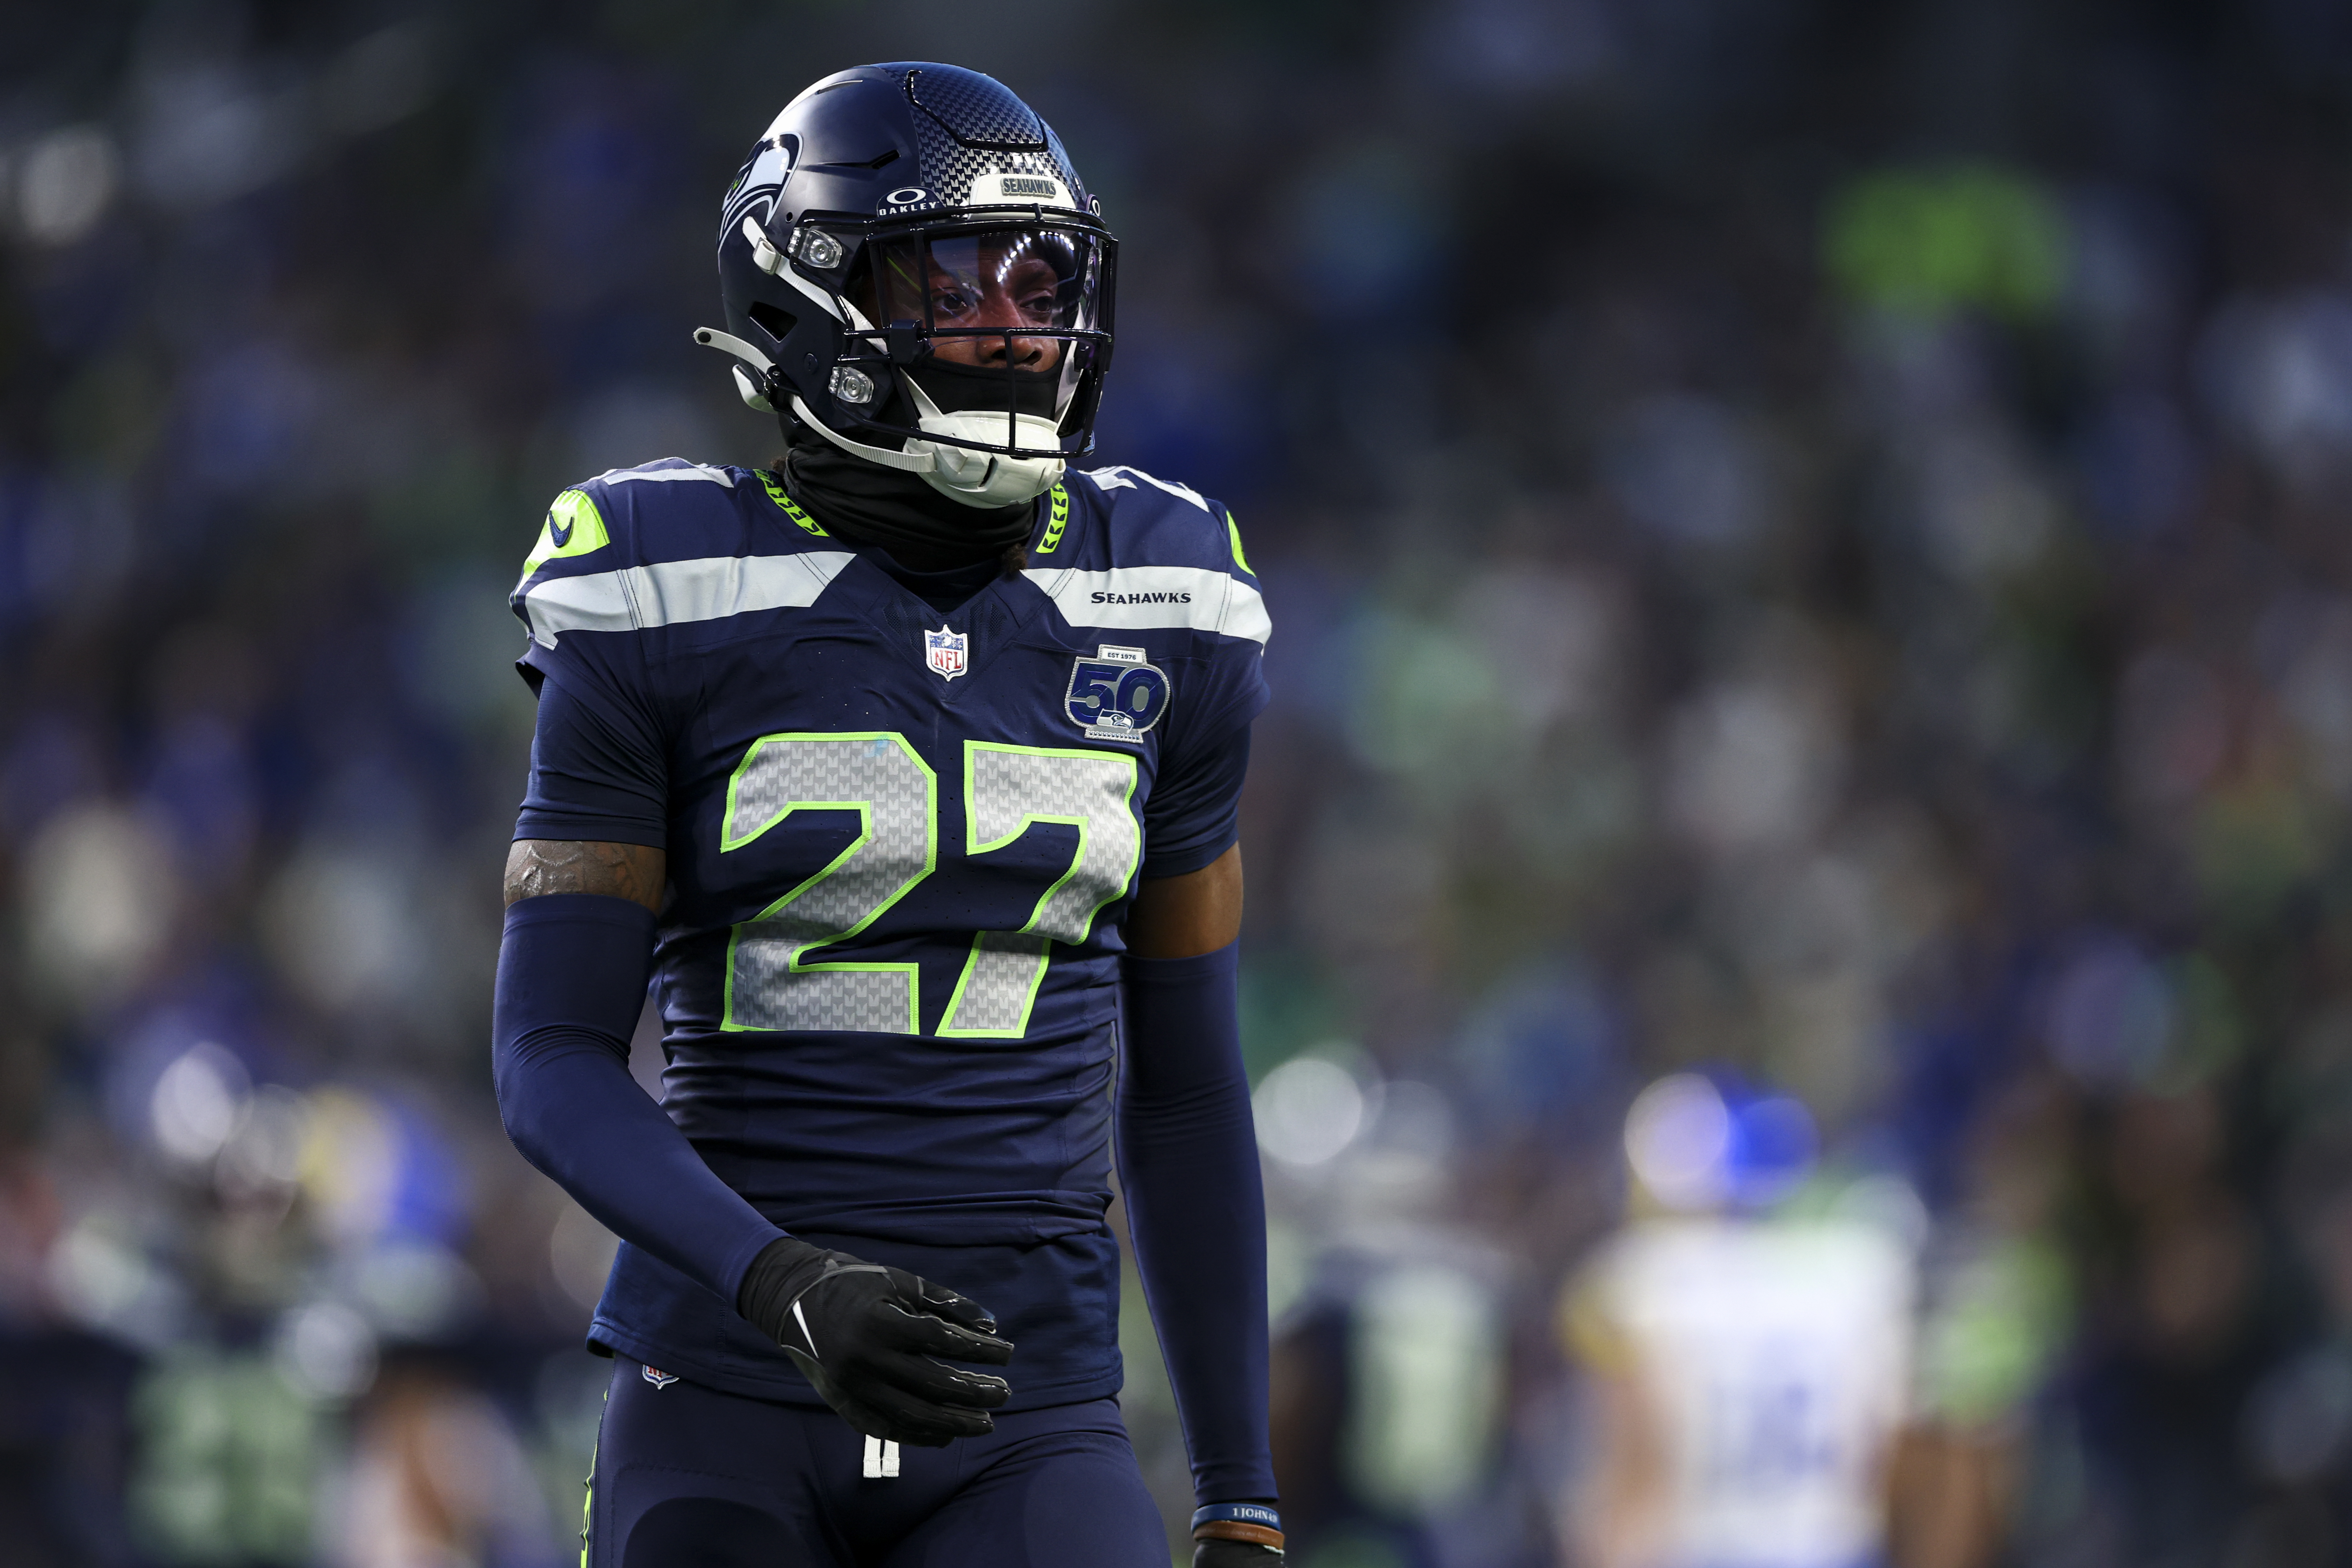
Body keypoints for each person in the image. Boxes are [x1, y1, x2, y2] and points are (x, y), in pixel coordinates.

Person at [490, 62, 1281, 1568]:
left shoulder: (1169, 589)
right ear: (811, 306)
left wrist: (1237, 1492)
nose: (1018, 325)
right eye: (958, 283)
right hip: (724, 1377)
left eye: (1041, 280)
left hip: (1031, 1413)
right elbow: (547, 1055)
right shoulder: (659, 578)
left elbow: (1182, 1087)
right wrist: (776, 1278)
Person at [1562, 1073, 1919, 1568]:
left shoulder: (1643, 1280)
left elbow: (1636, 1462)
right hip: (1831, 1551)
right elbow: (1891, 1450)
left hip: (1698, 1549)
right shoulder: (1856, 1270)